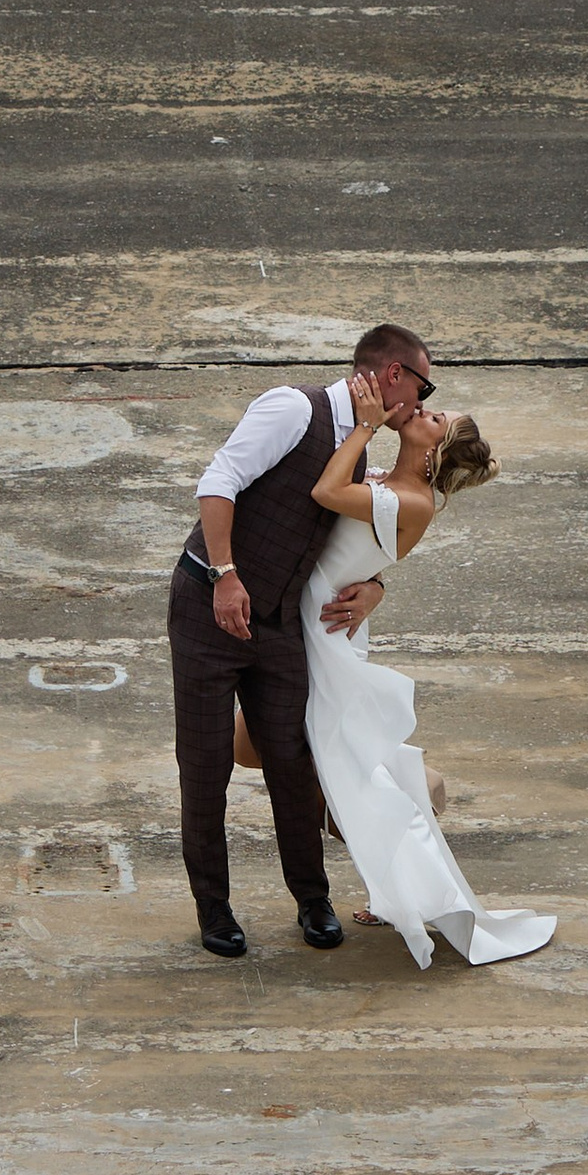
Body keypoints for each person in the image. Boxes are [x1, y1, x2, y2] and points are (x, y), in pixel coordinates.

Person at [168, 326, 433, 958]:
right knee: (205, 767)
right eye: (424, 386)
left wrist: (375, 590)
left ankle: (311, 900)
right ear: (393, 374)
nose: (423, 401)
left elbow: (344, 547)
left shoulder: (360, 451)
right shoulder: (294, 407)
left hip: (283, 623)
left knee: (292, 762)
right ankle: (214, 909)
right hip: (211, 607)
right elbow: (218, 481)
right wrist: (224, 575)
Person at [298, 379, 556, 966]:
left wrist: (364, 422)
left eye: (436, 417)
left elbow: (324, 490)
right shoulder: (393, 487)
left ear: (433, 450)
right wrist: (377, 587)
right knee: (323, 760)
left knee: (339, 766)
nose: (425, 410)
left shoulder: (411, 501)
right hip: (325, 627)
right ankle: (412, 801)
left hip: (325, 638)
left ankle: (410, 860)